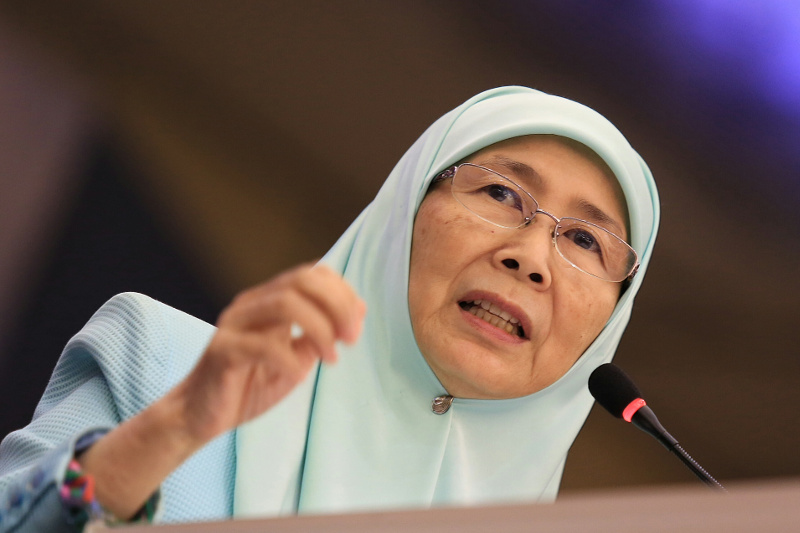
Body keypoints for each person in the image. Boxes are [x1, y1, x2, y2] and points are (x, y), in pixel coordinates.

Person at [0, 86, 659, 532]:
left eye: (585, 241)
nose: (532, 258)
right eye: (501, 193)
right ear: (406, 211)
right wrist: (172, 428)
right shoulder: (163, 363)